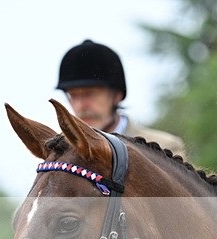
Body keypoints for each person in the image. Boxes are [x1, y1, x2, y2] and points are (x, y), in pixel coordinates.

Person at [56, 39, 186, 157]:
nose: (80, 106)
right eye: (73, 95)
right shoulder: (59, 153)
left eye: (89, 94)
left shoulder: (164, 148)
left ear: (117, 95)